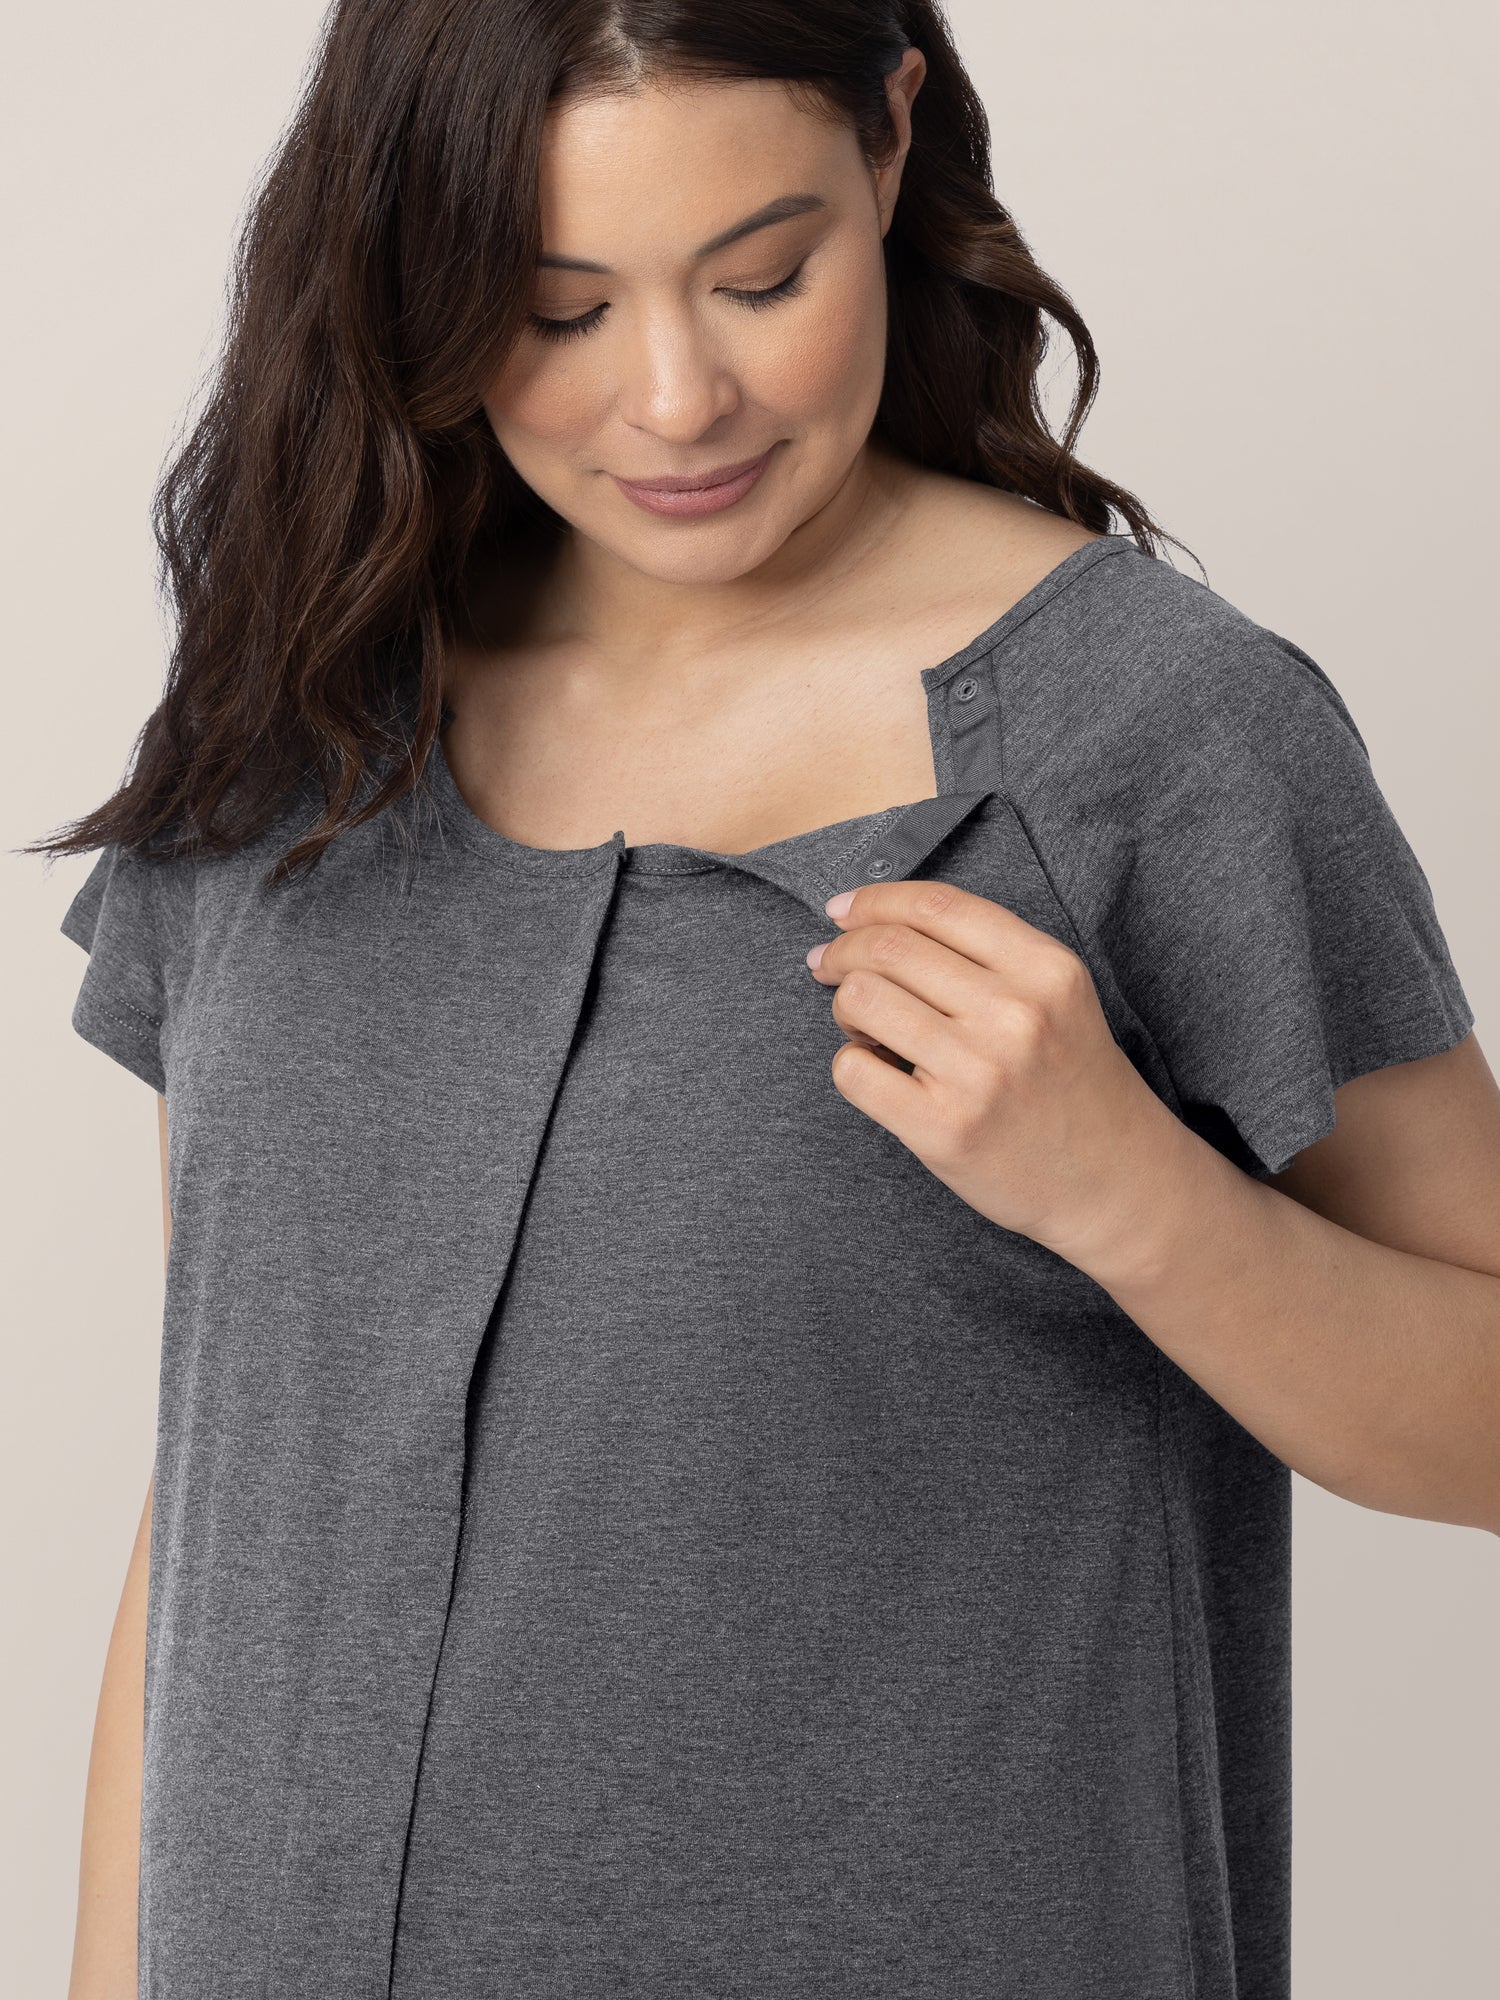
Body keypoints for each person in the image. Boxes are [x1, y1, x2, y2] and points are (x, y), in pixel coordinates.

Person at [37, 4, 1499, 1997]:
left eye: (761, 278)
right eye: (555, 310)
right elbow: (225, 1473)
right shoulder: (302, 723)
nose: (677, 399)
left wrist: (1139, 1201)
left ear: (891, 139)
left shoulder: (1154, 735)